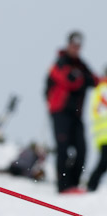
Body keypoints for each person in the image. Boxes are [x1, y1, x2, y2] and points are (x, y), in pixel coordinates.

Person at [45, 31, 98, 194]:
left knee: (82, 149)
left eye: (78, 46)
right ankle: (63, 186)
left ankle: (73, 184)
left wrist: (83, 77)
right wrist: (81, 79)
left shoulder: (80, 65)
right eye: (73, 45)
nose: (76, 48)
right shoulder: (60, 62)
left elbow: (93, 80)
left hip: (76, 114)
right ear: (68, 45)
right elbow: (69, 80)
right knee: (63, 148)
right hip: (60, 112)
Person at [87, 70, 107, 192]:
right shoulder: (103, 89)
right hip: (104, 133)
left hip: (100, 132)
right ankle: (91, 186)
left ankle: (91, 185)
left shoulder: (98, 89)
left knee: (104, 162)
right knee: (104, 162)